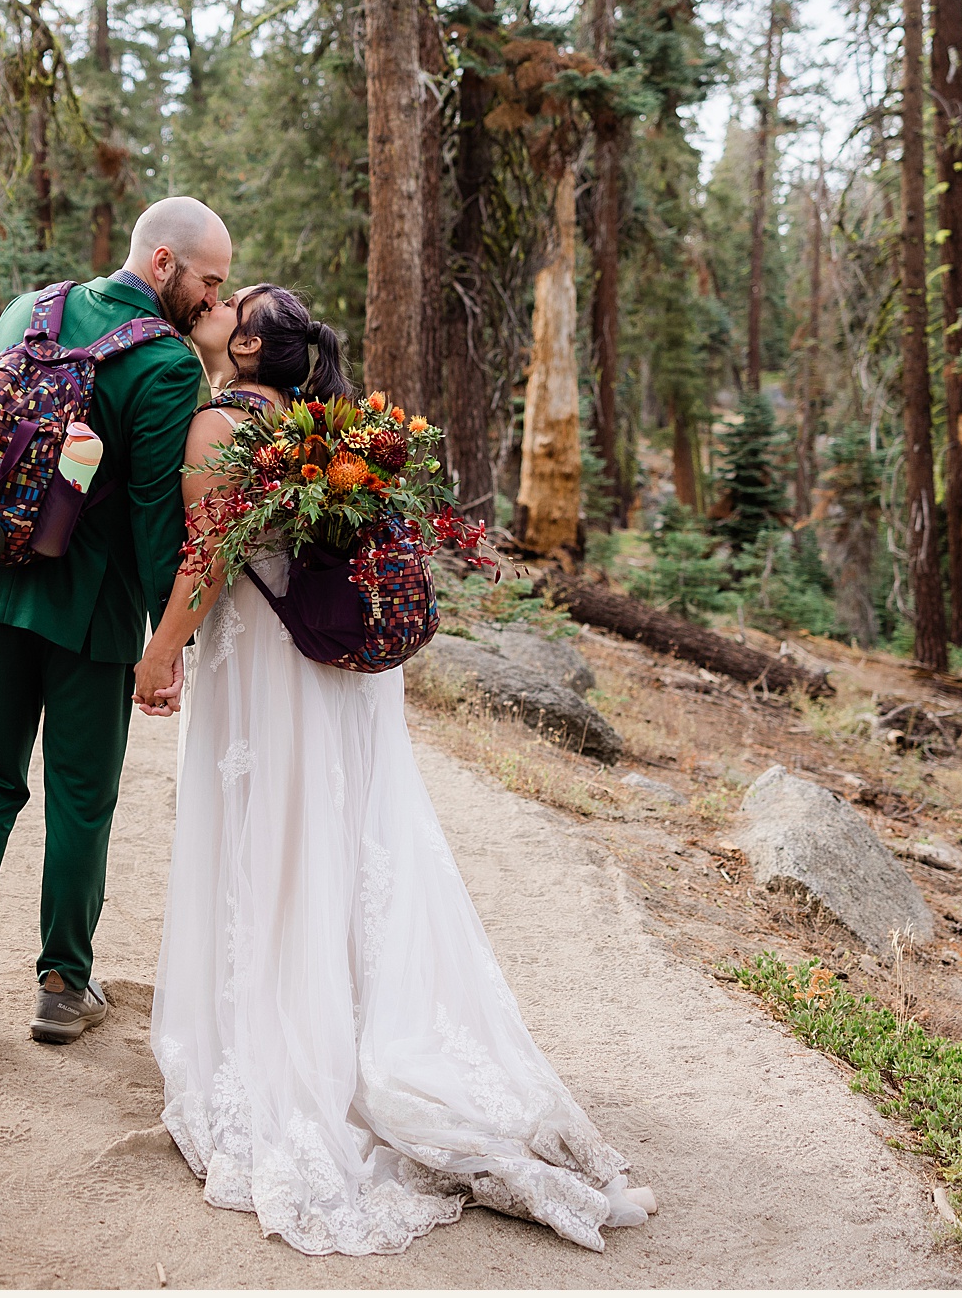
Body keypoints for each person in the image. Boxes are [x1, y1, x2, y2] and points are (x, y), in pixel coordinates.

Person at [132, 283, 660, 1255]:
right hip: (337, 678)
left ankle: (294, 1046)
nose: (215, 301)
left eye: (230, 303)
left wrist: (161, 650)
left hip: (268, 667)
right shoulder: (323, 424)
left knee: (273, 842)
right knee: (334, 841)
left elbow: (209, 554)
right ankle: (353, 1016)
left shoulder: (222, 426)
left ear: (245, 346)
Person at [0, 198, 230, 1044]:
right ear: (163, 263)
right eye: (208, 281)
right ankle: (61, 985)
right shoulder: (166, 364)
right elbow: (161, 518)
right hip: (91, 613)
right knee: (81, 800)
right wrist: (173, 638)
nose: (210, 300)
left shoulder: (29, 310)